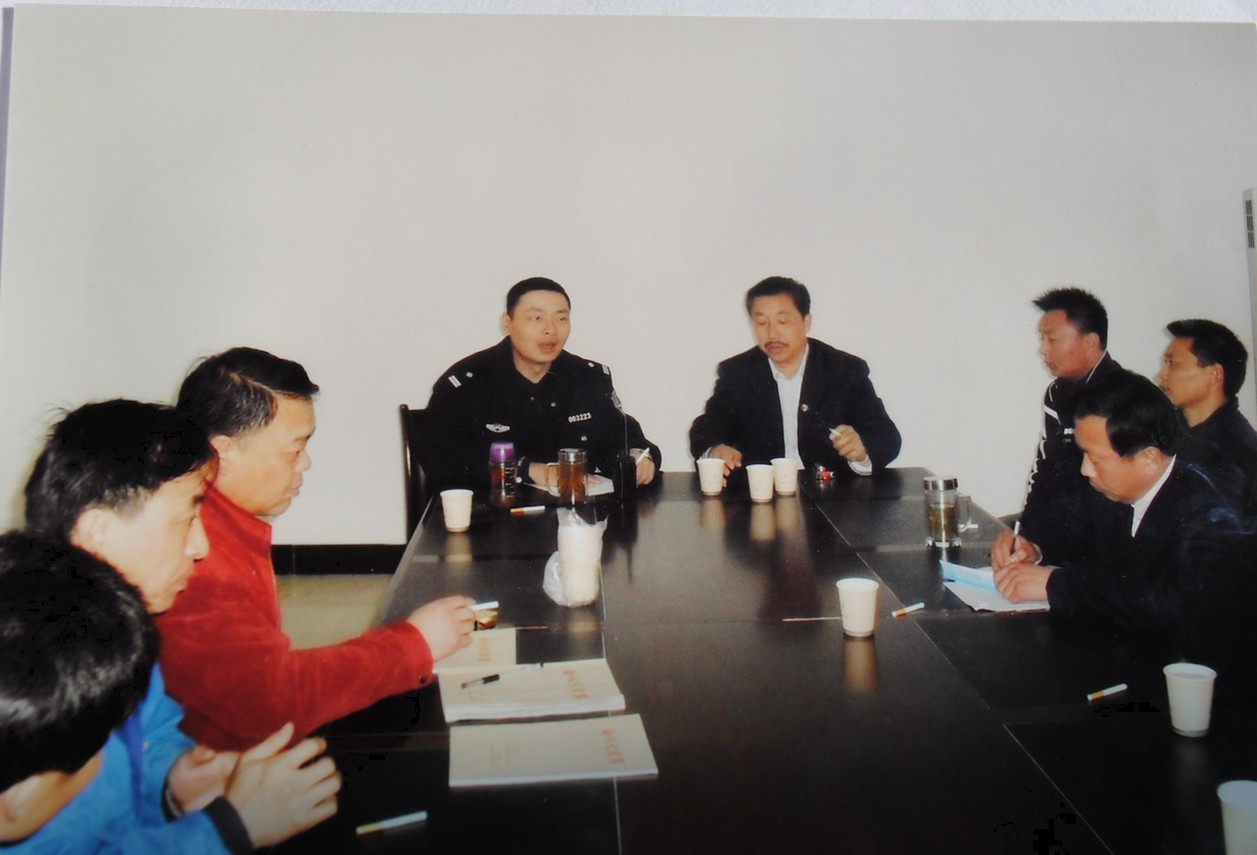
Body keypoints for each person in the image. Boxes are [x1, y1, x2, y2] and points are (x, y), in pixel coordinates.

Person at [18, 400, 340, 852]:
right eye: (187, 519)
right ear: (98, 534)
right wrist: (228, 830)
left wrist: (174, 781)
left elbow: (153, 732)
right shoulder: (34, 679)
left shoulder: (122, 625)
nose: (201, 547)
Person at [157, 347, 476, 751]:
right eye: (294, 449)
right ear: (223, 453)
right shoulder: (193, 555)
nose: (305, 463)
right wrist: (414, 644)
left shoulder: (217, 519)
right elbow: (268, 702)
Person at [992, 371, 1257, 703]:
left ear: (1149, 458)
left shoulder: (1212, 509)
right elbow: (1068, 526)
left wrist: (1055, 585)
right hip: (1134, 662)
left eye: (1096, 458)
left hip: (1211, 692)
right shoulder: (1114, 485)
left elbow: (1176, 605)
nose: (1085, 470)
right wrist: (1031, 546)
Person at [417, 277, 661, 492]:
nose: (550, 330)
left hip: (575, 516)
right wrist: (529, 470)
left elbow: (622, 435)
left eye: (561, 318)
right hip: (492, 517)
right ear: (507, 323)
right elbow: (440, 458)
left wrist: (637, 457)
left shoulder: (587, 377)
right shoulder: (467, 382)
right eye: (536, 318)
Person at [688, 275, 900, 478]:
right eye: (761, 323)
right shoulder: (738, 372)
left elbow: (886, 435)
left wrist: (862, 449)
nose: (772, 334)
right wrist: (714, 449)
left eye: (782, 322)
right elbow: (706, 428)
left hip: (832, 494)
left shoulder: (844, 370)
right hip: (763, 494)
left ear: (806, 322)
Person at [991, 286, 1122, 567]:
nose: (1042, 350)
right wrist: (1024, 536)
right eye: (1042, 339)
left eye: (1052, 340)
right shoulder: (1057, 392)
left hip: (1094, 549)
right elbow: (1043, 468)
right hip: (1054, 539)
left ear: (1090, 342)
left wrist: (1041, 550)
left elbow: (1106, 498)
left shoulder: (1123, 398)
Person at [1157, 318, 1257, 511]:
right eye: (1164, 363)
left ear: (1214, 374)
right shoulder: (1163, 427)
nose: (1162, 374)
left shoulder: (1236, 453)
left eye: (1173, 364)